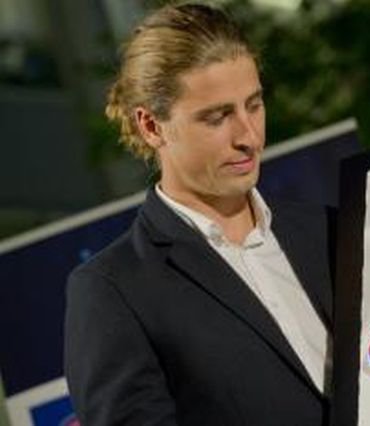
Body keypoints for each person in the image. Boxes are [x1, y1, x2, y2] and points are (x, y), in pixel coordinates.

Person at [64, 3, 334, 425]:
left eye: (254, 105)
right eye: (217, 117)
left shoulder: (329, 229)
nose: (248, 136)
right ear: (151, 126)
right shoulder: (113, 291)